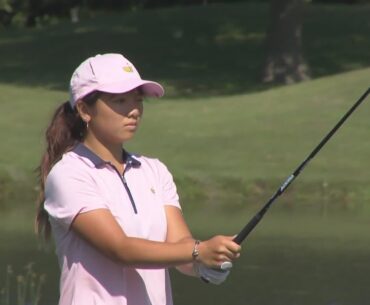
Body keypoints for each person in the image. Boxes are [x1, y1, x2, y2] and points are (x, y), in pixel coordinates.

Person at [35, 53, 241, 305]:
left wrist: (204, 262)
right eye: (120, 100)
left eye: (138, 100)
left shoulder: (154, 170)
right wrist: (199, 251)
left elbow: (180, 245)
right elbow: (120, 249)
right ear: (85, 110)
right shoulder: (69, 174)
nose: (134, 110)